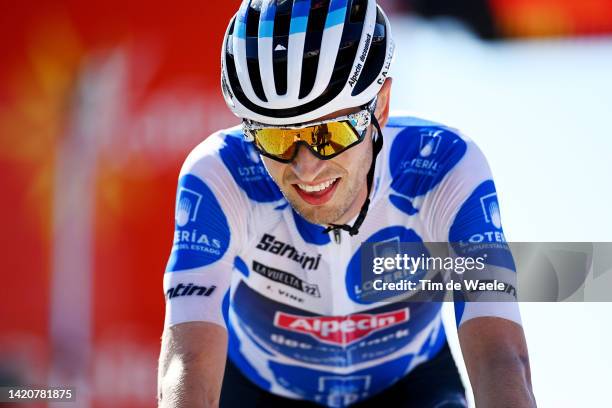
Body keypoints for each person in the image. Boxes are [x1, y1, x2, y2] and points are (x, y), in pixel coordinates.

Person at [158, 1, 536, 407]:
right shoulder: (220, 173)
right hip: (259, 393)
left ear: (382, 108)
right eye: (276, 138)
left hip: (410, 387)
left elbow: (500, 357)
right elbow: (189, 357)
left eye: (330, 134)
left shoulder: (444, 167)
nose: (306, 168)